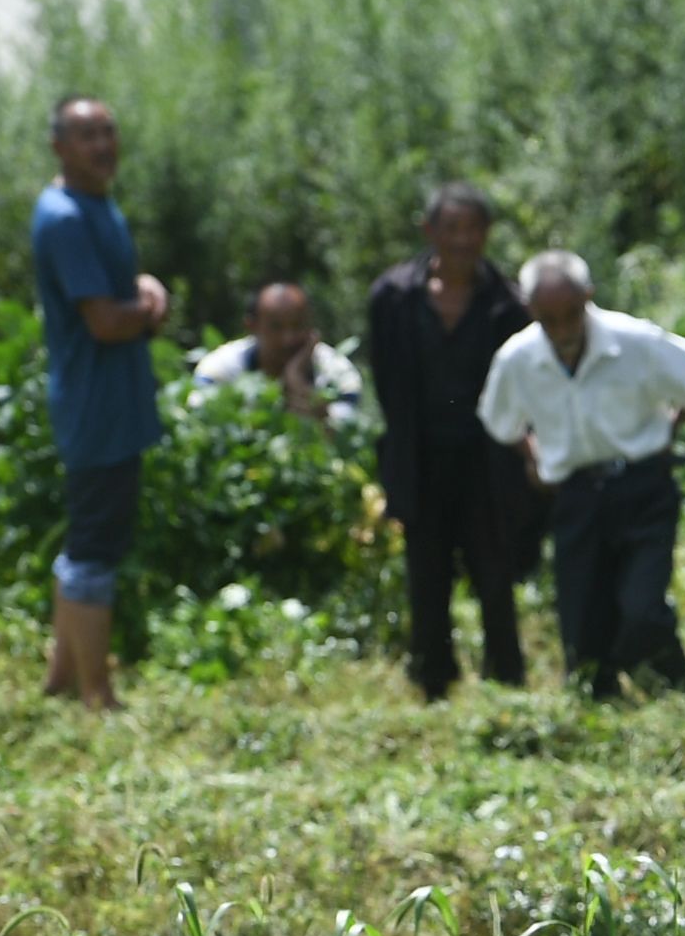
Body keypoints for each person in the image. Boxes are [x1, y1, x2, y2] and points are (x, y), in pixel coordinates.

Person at [479, 251, 685, 701]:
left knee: (641, 608)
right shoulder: (518, 358)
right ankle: (601, 705)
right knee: (581, 626)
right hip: (575, 494)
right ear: (530, 309)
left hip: (643, 486)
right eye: (548, 318)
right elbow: (499, 421)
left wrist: (670, 426)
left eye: (570, 314)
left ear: (588, 298)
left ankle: (677, 691)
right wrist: (532, 454)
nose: (562, 329)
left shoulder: (633, 340)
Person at [365, 186, 535, 699]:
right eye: (452, 228)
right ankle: (432, 677)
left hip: (488, 462)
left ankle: (506, 677)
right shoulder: (393, 297)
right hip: (420, 458)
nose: (463, 240)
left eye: (473, 228)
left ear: (486, 234)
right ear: (430, 232)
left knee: (494, 569)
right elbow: (386, 380)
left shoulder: (508, 303)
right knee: (426, 570)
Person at [30, 95, 169, 710]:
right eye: (87, 136)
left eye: (109, 132)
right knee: (95, 545)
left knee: (89, 538)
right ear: (60, 146)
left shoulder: (97, 204)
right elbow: (107, 323)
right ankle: (97, 693)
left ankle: (63, 674)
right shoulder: (64, 217)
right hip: (95, 405)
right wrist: (151, 310)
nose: (103, 146)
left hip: (116, 400)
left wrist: (140, 292)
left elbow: (116, 297)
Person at [192, 282, 361, 432]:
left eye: (297, 325)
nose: (288, 338)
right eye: (276, 326)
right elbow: (200, 427)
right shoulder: (218, 370)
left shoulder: (339, 375)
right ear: (252, 326)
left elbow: (345, 440)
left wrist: (298, 383)